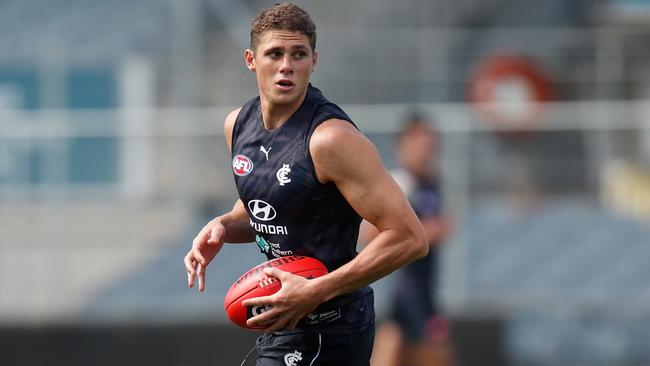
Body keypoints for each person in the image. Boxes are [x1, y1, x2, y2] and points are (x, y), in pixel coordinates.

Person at [183, 3, 428, 365]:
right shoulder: (237, 125)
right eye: (275, 54)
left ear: (314, 60)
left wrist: (315, 291)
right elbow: (269, 207)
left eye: (298, 54)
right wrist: (221, 225)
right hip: (285, 315)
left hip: (332, 325)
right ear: (251, 60)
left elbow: (411, 238)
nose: (286, 66)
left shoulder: (330, 140)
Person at [361, 113, 453, 366]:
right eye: (420, 141)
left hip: (425, 287)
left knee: (426, 352)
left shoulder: (433, 183)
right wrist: (421, 233)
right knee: (419, 349)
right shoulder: (400, 183)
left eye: (430, 142)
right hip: (401, 287)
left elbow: (445, 225)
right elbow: (369, 232)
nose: (427, 148)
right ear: (403, 145)